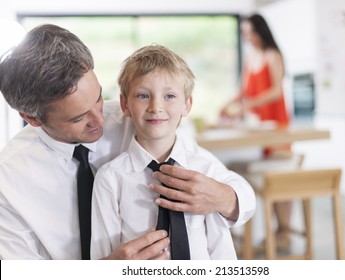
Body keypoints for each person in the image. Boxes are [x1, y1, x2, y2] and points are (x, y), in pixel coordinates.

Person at [0, 24, 255, 260]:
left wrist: (226, 198)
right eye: (79, 118)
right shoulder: (9, 179)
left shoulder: (139, 118)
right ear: (31, 118)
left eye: (99, 98)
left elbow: (219, 180)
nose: (100, 119)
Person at [90, 45, 238, 260]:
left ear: (187, 105)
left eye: (169, 96)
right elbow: (103, 256)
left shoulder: (205, 172)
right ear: (125, 104)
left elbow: (222, 251)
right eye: (142, 95)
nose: (156, 106)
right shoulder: (110, 178)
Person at [220, 14, 293, 249]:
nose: (247, 37)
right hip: (259, 127)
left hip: (278, 124)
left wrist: (245, 106)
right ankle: (268, 233)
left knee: (280, 176)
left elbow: (275, 91)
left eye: (250, 32)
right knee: (265, 172)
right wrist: (228, 103)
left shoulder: (273, 55)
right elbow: (243, 90)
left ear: (261, 31)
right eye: (244, 33)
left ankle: (283, 231)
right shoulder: (251, 58)